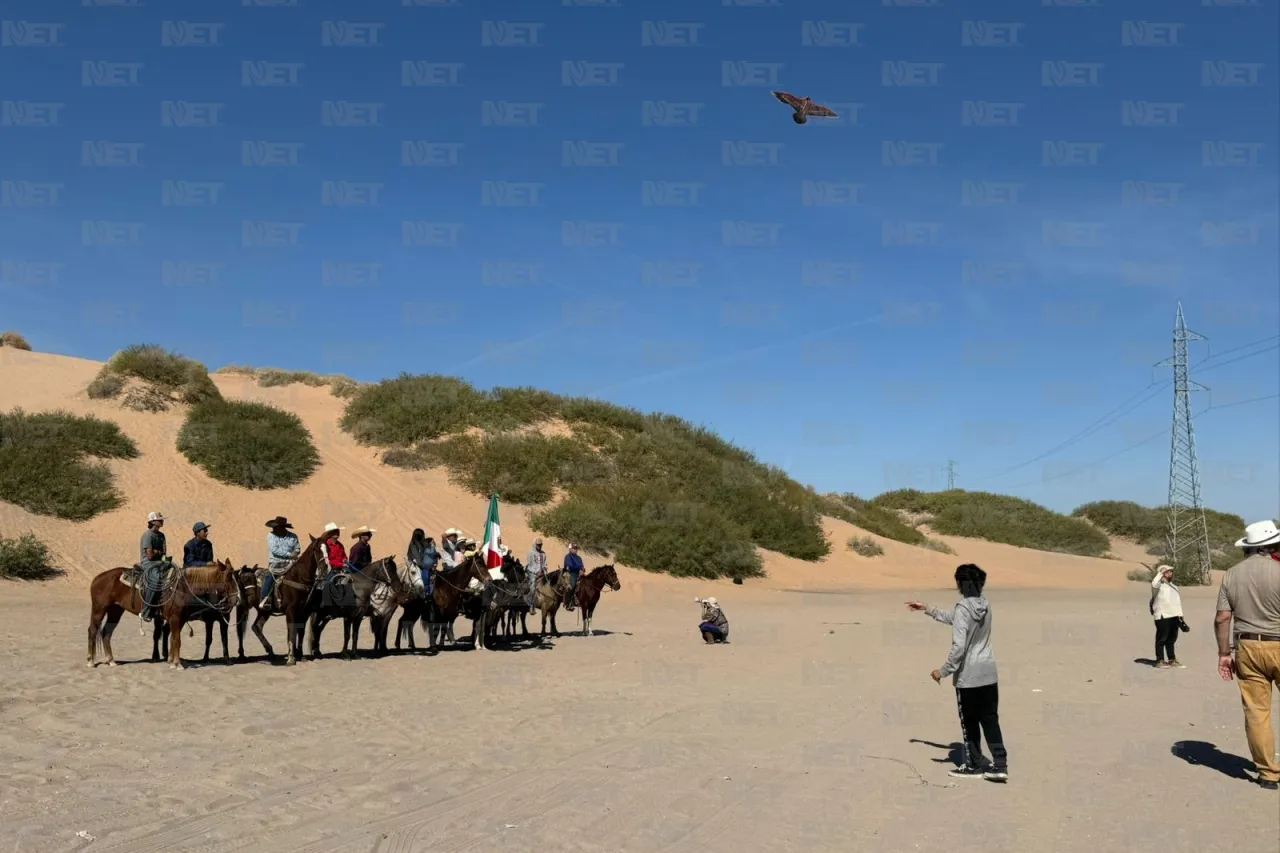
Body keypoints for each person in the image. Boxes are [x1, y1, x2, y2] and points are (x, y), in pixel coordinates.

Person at [907, 563, 1007, 783]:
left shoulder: (963, 608)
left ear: (961, 584)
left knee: (969, 723)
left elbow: (959, 646)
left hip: (969, 678)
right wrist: (927, 608)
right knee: (990, 720)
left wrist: (942, 671)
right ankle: (1000, 765)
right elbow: (954, 617)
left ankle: (973, 765)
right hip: (989, 674)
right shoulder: (985, 605)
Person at [1215, 519, 1280, 791]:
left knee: (1256, 712)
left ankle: (1268, 773)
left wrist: (1223, 653)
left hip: (1247, 647)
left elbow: (1222, 618)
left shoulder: (1231, 574)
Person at [1149, 564, 1184, 668]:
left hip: (1174, 615)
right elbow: (1154, 583)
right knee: (1161, 639)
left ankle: (1172, 660)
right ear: (1162, 574)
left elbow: (1177, 602)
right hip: (1163, 616)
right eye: (1168, 571)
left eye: (1171, 571)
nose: (1170, 573)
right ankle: (1159, 660)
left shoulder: (1174, 586)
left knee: (1171, 639)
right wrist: (1160, 572)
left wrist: (1180, 616)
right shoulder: (1158, 586)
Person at [262, 516, 300, 609]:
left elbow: (297, 548)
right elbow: (274, 550)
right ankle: (265, 599)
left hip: (292, 563)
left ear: (282, 528)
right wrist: (290, 555)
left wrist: (296, 552)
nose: (273, 528)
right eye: (273, 527)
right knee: (270, 578)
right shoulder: (271, 536)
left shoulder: (293, 536)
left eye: (276, 527)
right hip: (276, 563)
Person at [139, 511, 168, 621]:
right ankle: (146, 610)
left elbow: (164, 553)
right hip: (148, 563)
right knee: (156, 579)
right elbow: (150, 556)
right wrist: (158, 553)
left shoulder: (162, 535)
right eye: (159, 520)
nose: (162, 521)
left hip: (160, 562)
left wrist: (163, 558)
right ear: (153, 522)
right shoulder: (147, 535)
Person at [408, 529, 441, 596]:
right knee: (425, 577)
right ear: (418, 536)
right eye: (422, 535)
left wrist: (436, 554)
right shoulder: (413, 545)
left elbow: (429, 550)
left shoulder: (422, 542)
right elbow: (418, 560)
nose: (424, 536)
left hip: (425, 564)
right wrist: (427, 566)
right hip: (416, 566)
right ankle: (426, 594)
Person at [526, 537, 548, 607]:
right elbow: (528, 566)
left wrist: (544, 572)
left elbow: (545, 565)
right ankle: (531, 605)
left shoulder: (543, 554)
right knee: (532, 587)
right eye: (538, 545)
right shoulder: (530, 553)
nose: (540, 546)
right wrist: (536, 572)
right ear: (535, 544)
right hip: (533, 574)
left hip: (542, 574)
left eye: (541, 545)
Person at [562, 543, 585, 611]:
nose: (575, 550)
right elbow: (570, 566)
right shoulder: (568, 557)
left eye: (576, 548)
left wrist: (582, 570)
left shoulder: (579, 558)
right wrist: (579, 569)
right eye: (574, 548)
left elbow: (582, 566)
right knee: (573, 584)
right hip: (570, 573)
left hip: (579, 573)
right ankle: (568, 602)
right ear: (570, 549)